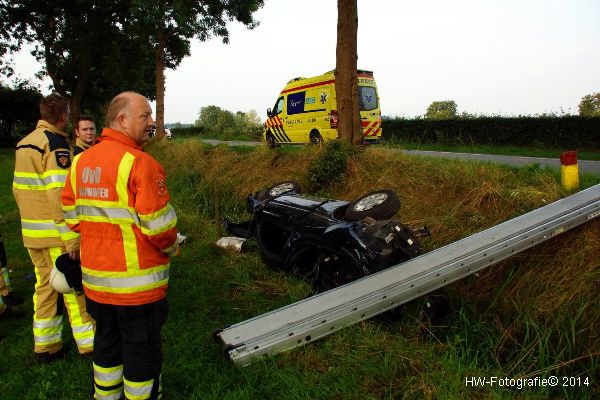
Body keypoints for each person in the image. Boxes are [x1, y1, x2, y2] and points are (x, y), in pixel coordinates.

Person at [61, 91, 180, 400]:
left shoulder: (80, 162)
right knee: (142, 353)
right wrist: (172, 248)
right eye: (146, 116)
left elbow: (72, 217)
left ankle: (105, 396)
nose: (152, 122)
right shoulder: (141, 164)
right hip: (137, 290)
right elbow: (161, 227)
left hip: (97, 285)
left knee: (107, 344)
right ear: (123, 120)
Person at [12, 92, 95, 361]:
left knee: (45, 288)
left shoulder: (25, 143)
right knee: (73, 289)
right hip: (55, 233)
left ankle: (46, 347)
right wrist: (72, 239)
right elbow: (60, 196)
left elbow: (18, 190)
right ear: (63, 117)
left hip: (32, 232)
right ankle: (89, 345)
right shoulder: (55, 144)